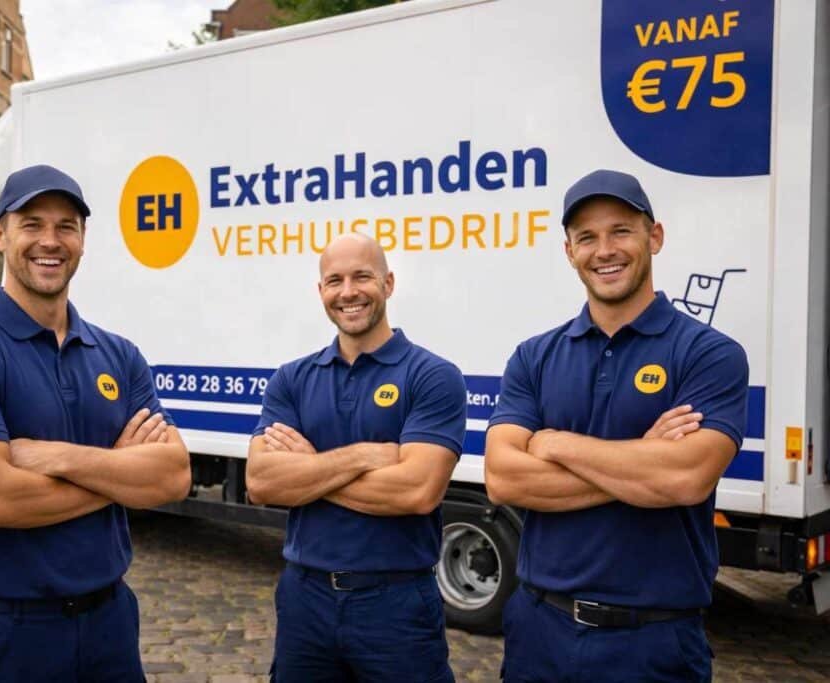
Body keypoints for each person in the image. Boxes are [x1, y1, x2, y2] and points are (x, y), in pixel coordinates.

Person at [0, 164, 191, 682]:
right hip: (0, 635)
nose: (50, 240)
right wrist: (120, 476)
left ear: (83, 241)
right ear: (0, 235)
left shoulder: (118, 354)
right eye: (32, 224)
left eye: (66, 226)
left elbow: (173, 477)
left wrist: (58, 457)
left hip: (108, 627)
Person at [484, 169, 748, 682]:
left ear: (655, 237)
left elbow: (685, 478)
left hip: (652, 643)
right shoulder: (534, 357)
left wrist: (555, 443)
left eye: (620, 231)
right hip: (539, 632)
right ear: (570, 252)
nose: (604, 250)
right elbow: (503, 478)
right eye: (586, 237)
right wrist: (642, 460)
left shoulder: (709, 354)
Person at [246, 232, 467, 682]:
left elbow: (417, 491)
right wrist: (363, 456)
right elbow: (262, 483)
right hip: (305, 600)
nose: (348, 292)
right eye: (335, 281)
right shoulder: (292, 379)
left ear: (388, 283)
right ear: (321, 291)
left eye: (362, 277)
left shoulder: (432, 376)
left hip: (396, 605)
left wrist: (309, 470)